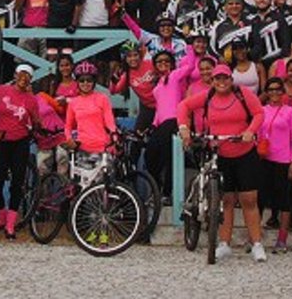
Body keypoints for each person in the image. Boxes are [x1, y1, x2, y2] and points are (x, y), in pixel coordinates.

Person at [177, 64, 266, 262]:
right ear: (213, 81)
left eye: (225, 78)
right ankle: (224, 243)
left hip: (244, 153)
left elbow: (259, 113)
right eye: (218, 78)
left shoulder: (242, 94)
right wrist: (184, 128)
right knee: (225, 200)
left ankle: (257, 243)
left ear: (231, 80)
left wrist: (250, 131)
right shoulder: (207, 96)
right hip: (220, 154)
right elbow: (183, 106)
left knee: (249, 200)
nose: (222, 82)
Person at [0, 64, 39, 239]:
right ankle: (1, 217)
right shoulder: (1, 90)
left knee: (17, 183)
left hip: (20, 142)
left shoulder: (31, 99)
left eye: (28, 76)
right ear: (15, 75)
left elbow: (36, 120)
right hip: (1, 140)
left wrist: (36, 127)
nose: (24, 78)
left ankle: (10, 224)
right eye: (21, 74)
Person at [258, 77, 292, 253]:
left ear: (283, 92)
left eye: (277, 89)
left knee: (284, 200)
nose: (274, 92)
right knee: (260, 199)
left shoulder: (291, 112)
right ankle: (255, 238)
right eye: (271, 89)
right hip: (264, 159)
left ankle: (282, 239)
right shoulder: (261, 110)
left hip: (283, 160)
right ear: (267, 92)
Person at [147, 49, 193, 204]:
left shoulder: (174, 76)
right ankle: (158, 189)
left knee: (169, 158)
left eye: (166, 61)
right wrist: (153, 124)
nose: (163, 63)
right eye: (159, 61)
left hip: (174, 120)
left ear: (172, 64)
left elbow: (190, 66)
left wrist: (189, 45)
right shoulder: (158, 83)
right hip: (160, 124)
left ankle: (166, 193)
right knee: (150, 157)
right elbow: (159, 107)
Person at [64, 61, 117, 154]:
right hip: (82, 148)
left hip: (103, 146)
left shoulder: (102, 98)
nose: (85, 83)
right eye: (82, 80)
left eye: (89, 80)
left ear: (94, 82)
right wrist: (69, 139)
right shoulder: (73, 103)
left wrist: (114, 134)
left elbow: (109, 121)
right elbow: (68, 126)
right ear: (77, 82)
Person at [110, 41, 157, 145]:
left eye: (135, 55)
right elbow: (114, 91)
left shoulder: (150, 64)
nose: (133, 59)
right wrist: (113, 81)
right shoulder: (127, 74)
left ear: (140, 55)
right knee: (137, 137)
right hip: (147, 107)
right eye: (129, 56)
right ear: (125, 59)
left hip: (161, 105)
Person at [249, 0, 291, 70]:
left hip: (278, 64)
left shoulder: (279, 18)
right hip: (259, 66)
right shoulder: (251, 21)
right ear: (254, 0)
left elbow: (286, 42)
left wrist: (281, 62)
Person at [122, 11, 187, 64]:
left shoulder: (181, 44)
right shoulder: (152, 40)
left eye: (169, 25)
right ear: (157, 28)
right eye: (162, 25)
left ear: (173, 28)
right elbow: (136, 30)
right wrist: (123, 14)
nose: (166, 28)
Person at [209, 0, 254, 64]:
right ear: (225, 7)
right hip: (226, 66)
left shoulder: (250, 23)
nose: (234, 6)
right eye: (230, 4)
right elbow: (211, 48)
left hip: (247, 64)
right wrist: (219, 58)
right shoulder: (218, 26)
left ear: (242, 6)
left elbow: (256, 44)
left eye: (237, 3)